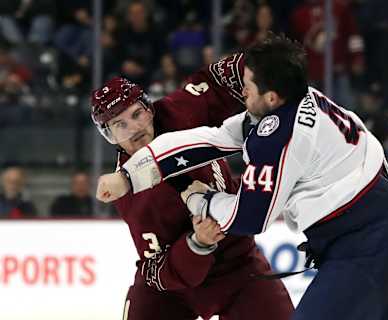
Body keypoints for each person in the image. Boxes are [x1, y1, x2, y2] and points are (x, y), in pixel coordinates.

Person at [97, 33, 388, 320]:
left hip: (364, 248)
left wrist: (202, 200)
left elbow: (251, 215)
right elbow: (218, 138)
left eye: (248, 86)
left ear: (270, 96)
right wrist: (130, 176)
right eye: (119, 125)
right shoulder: (303, 98)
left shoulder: (277, 134)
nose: (240, 94)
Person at [90, 60, 293, 318]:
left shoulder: (179, 111)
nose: (135, 129)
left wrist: (269, 62)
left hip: (238, 263)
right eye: (120, 125)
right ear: (110, 136)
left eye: (136, 114)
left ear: (149, 109)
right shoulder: (130, 196)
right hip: (171, 293)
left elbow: (219, 78)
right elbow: (156, 269)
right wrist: (197, 244)